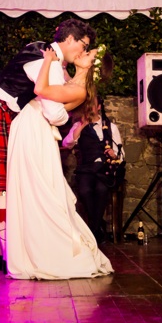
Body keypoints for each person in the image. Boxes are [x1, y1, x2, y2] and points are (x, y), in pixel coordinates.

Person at [0, 18, 95, 273]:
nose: (82, 51)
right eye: (83, 45)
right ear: (70, 39)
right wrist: (61, 114)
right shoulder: (45, 61)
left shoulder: (39, 49)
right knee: (0, 189)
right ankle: (5, 253)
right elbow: (53, 111)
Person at [5, 44, 115, 280]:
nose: (83, 53)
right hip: (33, 125)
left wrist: (48, 60)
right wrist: (58, 63)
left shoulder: (79, 91)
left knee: (40, 190)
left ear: (91, 67)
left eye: (89, 54)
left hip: (36, 126)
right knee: (37, 190)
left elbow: (41, 89)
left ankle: (51, 252)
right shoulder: (73, 82)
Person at [62, 94, 124, 244]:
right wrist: (82, 125)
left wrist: (114, 154)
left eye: (92, 104)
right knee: (84, 191)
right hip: (86, 169)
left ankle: (93, 230)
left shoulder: (110, 127)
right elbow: (67, 143)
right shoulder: (79, 125)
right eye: (87, 105)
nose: (89, 107)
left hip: (105, 168)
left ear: (98, 107)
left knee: (101, 190)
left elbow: (120, 153)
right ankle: (98, 226)